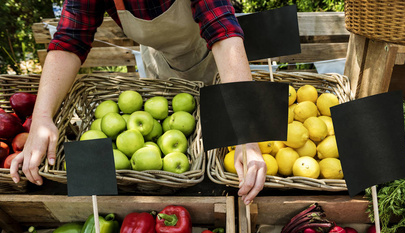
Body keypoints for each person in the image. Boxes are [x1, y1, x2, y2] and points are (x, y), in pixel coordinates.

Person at [10, 0, 267, 204]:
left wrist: (246, 133)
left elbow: (221, 28)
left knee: (213, 152)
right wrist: (41, 118)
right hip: (160, 61)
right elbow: (70, 39)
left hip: (213, 59)